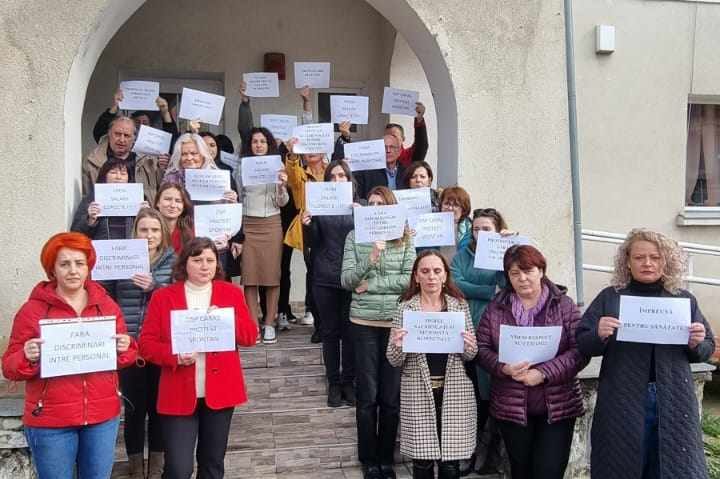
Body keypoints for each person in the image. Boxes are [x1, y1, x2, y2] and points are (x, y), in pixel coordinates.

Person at [576, 228, 714, 479]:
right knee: (622, 465)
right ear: (627, 262)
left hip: (673, 398)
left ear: (666, 261)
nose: (647, 263)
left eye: (655, 257)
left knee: (671, 466)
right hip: (622, 399)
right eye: (639, 257)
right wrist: (598, 334)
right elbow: (583, 344)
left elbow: (707, 349)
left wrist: (696, 342)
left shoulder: (683, 299)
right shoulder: (611, 297)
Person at [1, 232, 136, 479]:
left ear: (88, 267)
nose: (73, 270)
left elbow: (125, 355)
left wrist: (125, 346)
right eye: (64, 264)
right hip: (51, 420)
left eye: (79, 263)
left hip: (101, 417)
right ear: (52, 269)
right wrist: (27, 355)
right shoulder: (33, 310)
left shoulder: (106, 306)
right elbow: (9, 367)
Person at [138, 237, 257, 479]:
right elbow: (146, 345)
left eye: (210, 260)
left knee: (212, 465)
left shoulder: (231, 293)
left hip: (221, 391)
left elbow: (250, 337)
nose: (205, 266)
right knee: (178, 468)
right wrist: (175, 356)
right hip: (178, 391)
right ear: (184, 264)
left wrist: (227, 320)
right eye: (198, 260)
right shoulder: (164, 297)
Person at [475, 245, 587, 479]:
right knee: (521, 471)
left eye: (528, 271)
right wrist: (502, 367)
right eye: (515, 273)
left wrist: (544, 372)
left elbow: (580, 351)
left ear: (541, 271)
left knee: (549, 471)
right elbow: (481, 348)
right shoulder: (496, 307)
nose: (522, 278)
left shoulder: (564, 305)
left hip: (557, 406)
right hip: (512, 405)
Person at [341, 186, 416, 479]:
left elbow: (409, 282)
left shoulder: (406, 239)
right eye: (370, 204)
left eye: (381, 204)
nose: (374, 208)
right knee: (368, 395)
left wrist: (371, 285)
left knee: (391, 397)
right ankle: (368, 458)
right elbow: (347, 280)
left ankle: (387, 458)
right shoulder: (353, 237)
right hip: (363, 324)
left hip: (395, 323)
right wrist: (371, 257)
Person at [387, 250, 478, 479]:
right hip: (417, 390)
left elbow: (471, 354)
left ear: (445, 276)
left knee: (450, 463)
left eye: (437, 271)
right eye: (425, 271)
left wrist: (468, 344)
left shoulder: (459, 306)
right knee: (423, 462)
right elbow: (394, 359)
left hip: (455, 391)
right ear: (416, 276)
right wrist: (398, 344)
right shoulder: (405, 308)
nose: (431, 277)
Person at [111, 208, 175, 479]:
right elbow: (107, 295)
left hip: (160, 344)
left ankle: (157, 466)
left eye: (154, 230)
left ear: (163, 234)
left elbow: (178, 299)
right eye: (143, 229)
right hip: (130, 345)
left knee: (159, 408)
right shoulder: (120, 259)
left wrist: (155, 288)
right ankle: (136, 466)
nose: (149, 235)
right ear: (135, 231)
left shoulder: (174, 260)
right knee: (135, 409)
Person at [450, 208, 512, 476]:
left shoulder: (505, 255)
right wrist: (488, 291)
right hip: (467, 332)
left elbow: (508, 285)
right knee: (471, 395)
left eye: (486, 229)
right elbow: (454, 284)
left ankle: (489, 451)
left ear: (497, 230)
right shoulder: (462, 256)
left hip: (498, 334)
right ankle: (470, 450)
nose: (480, 233)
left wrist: (505, 252)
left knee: (491, 395)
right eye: (476, 229)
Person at [302, 160, 357, 407]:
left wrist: (362, 214)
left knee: (351, 333)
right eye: (333, 177)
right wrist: (308, 224)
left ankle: (349, 382)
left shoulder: (362, 206)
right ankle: (334, 383)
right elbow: (313, 242)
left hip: (352, 279)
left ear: (349, 180)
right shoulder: (319, 206)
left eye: (342, 176)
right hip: (325, 277)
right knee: (330, 333)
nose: (337, 181)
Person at [231, 127, 289, 344]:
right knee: (250, 276)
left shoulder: (277, 166)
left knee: (272, 275)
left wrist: (282, 186)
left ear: (269, 145)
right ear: (249, 145)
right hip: (248, 223)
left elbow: (283, 203)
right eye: (255, 141)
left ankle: (269, 323)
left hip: (272, 223)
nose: (258, 145)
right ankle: (253, 324)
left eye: (263, 141)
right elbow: (237, 196)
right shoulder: (241, 167)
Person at [285, 133, 328, 341]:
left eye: (316, 146)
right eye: (308, 147)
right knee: (314, 275)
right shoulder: (301, 174)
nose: (312, 151)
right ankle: (319, 324)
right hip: (309, 228)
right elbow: (292, 175)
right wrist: (292, 156)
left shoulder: (332, 172)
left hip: (332, 229)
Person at [83, 115, 167, 205]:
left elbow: (163, 192)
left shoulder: (149, 161)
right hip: (105, 216)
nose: (122, 140)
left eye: (126, 136)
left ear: (134, 138)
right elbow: (86, 198)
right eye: (117, 134)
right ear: (109, 134)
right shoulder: (93, 161)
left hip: (143, 216)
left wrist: (163, 169)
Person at [71, 158, 149, 241]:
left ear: (129, 178)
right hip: (101, 251)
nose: (118, 177)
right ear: (104, 176)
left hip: (131, 251)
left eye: (123, 173)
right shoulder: (92, 200)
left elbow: (149, 230)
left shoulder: (139, 199)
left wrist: (146, 214)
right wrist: (90, 219)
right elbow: (75, 233)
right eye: (113, 172)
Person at [92, 88, 178, 143]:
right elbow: (99, 133)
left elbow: (172, 141)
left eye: (144, 122)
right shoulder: (122, 141)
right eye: (137, 122)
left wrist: (165, 112)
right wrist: (115, 106)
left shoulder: (154, 141)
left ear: (150, 125)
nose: (141, 125)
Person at [354, 134, 406, 200]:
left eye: (392, 147)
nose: (388, 151)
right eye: (384, 147)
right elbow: (357, 197)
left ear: (399, 152)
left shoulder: (406, 173)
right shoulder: (367, 173)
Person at [154, 182, 194, 254]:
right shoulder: (147, 228)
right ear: (158, 203)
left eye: (178, 201)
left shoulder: (192, 231)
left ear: (184, 206)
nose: (173, 205)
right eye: (168, 199)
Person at [385, 102, 429, 167]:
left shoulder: (408, 156)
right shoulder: (377, 158)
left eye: (394, 137)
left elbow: (421, 144)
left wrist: (419, 118)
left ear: (403, 139)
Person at [437, 187, 473, 263]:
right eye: (447, 204)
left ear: (463, 209)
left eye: (456, 205)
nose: (450, 208)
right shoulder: (429, 226)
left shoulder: (472, 230)